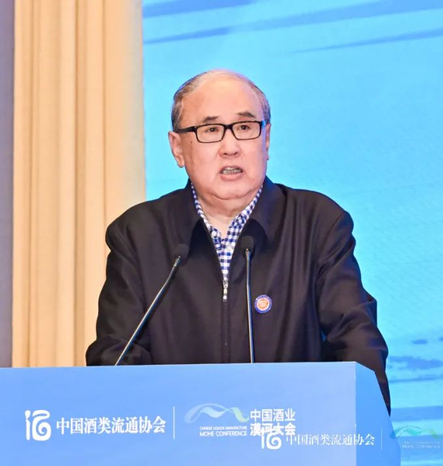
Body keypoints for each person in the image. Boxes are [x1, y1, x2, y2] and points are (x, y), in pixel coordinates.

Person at [85, 69, 390, 413]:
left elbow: (355, 343)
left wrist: (356, 422)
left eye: (244, 128)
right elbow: (117, 359)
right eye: (210, 130)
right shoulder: (139, 235)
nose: (230, 147)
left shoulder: (317, 223)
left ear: (266, 139)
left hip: (293, 436)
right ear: (177, 148)